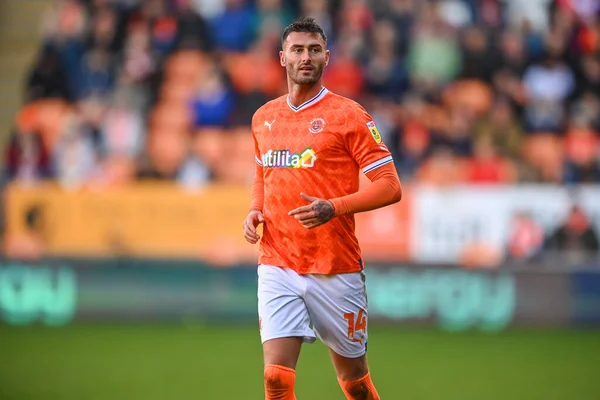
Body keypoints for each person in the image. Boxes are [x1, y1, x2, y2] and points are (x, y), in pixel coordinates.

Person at [243, 17, 402, 400]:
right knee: (276, 380)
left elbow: (390, 186)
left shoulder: (349, 115)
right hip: (278, 260)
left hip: (335, 265)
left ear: (327, 57)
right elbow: (263, 171)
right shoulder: (264, 117)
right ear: (282, 58)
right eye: (297, 49)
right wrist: (254, 210)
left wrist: (335, 207)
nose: (306, 57)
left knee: (356, 383)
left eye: (314, 50)